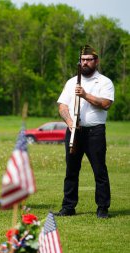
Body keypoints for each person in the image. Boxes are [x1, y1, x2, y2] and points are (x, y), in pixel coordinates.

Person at [56, 45, 114, 218]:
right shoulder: (71, 81)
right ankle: (68, 207)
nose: (85, 63)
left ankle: (102, 207)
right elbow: (62, 105)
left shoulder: (104, 82)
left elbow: (106, 104)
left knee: (99, 170)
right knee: (71, 170)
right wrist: (69, 121)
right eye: (83, 60)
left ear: (96, 61)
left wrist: (86, 95)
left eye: (89, 60)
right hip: (74, 131)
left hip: (95, 132)